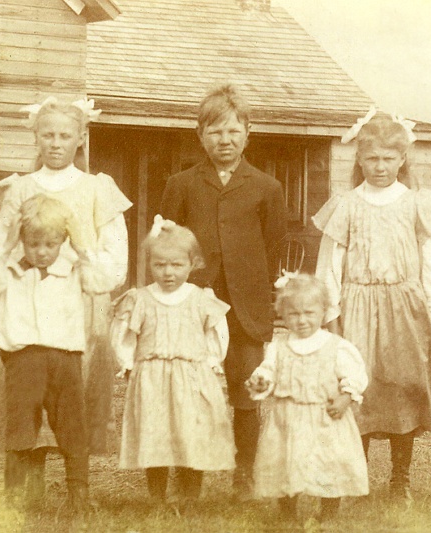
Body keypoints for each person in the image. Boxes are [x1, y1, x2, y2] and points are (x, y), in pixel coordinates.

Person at [0, 97, 132, 504]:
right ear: (35, 137)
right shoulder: (20, 189)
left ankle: (77, 488)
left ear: (81, 138)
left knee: (71, 400)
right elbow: (5, 246)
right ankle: (28, 486)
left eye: (65, 135)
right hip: (27, 305)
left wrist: (86, 269)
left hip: (78, 306)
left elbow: (115, 257)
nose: (56, 143)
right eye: (47, 134)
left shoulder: (97, 187)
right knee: (25, 394)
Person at [312, 109, 431, 502]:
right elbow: (329, 266)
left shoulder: (416, 204)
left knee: (402, 391)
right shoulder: (345, 205)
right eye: (372, 158)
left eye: (388, 158)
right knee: (358, 391)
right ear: (359, 159)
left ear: (402, 159)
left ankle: (400, 480)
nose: (380, 167)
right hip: (357, 306)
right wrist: (331, 316)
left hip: (405, 312)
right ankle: (353, 477)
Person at [159, 83, 287, 498]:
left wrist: (258, 292)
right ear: (200, 135)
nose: (224, 140)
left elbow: (273, 246)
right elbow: (168, 242)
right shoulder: (181, 184)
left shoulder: (267, 187)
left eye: (233, 131)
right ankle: (189, 476)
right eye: (214, 132)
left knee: (247, 392)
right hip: (194, 305)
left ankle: (245, 473)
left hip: (246, 308)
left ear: (248, 132)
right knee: (191, 391)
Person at [0, 194, 110, 513]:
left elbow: (105, 279)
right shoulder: (9, 268)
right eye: (33, 243)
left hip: (65, 359)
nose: (41, 251)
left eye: (50, 243)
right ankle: (16, 498)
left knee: (73, 426)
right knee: (20, 426)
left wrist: (84, 244)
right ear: (22, 240)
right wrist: (5, 245)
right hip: (23, 359)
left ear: (62, 240)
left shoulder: (74, 269)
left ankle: (79, 495)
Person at [109, 215, 235, 505]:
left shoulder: (201, 298)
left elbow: (216, 334)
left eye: (177, 265)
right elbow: (125, 335)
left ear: (193, 263)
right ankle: (156, 498)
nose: (168, 273)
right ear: (149, 263)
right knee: (155, 436)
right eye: (160, 264)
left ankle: (189, 497)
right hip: (152, 378)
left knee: (192, 434)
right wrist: (128, 363)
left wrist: (212, 362)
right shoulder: (139, 298)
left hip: (191, 377)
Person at [246, 274, 368, 524]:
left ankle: (329, 513)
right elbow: (269, 370)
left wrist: (346, 396)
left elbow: (355, 374)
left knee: (329, 463)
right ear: (282, 314)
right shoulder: (279, 346)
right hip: (287, 417)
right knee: (286, 463)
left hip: (325, 418)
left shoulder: (335, 346)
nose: (302, 320)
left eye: (309, 313)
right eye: (294, 314)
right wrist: (261, 381)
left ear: (323, 312)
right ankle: (288, 513)